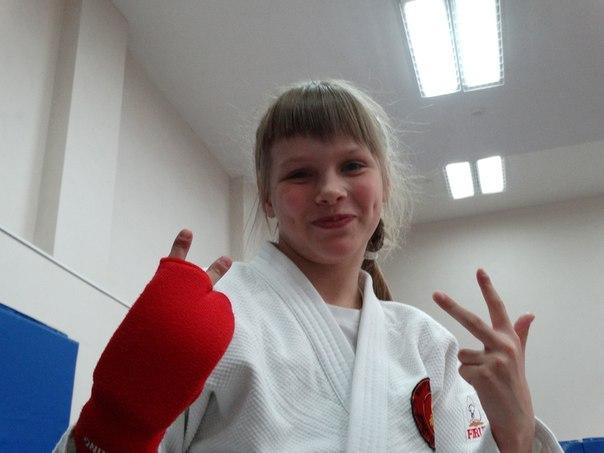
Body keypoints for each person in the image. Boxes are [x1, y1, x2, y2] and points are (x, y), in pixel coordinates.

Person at [55, 80, 562, 452]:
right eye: (300, 173)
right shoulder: (216, 321)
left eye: (352, 166)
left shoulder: (425, 343)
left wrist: (516, 432)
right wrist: (117, 422)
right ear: (268, 198)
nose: (330, 190)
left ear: (384, 185)